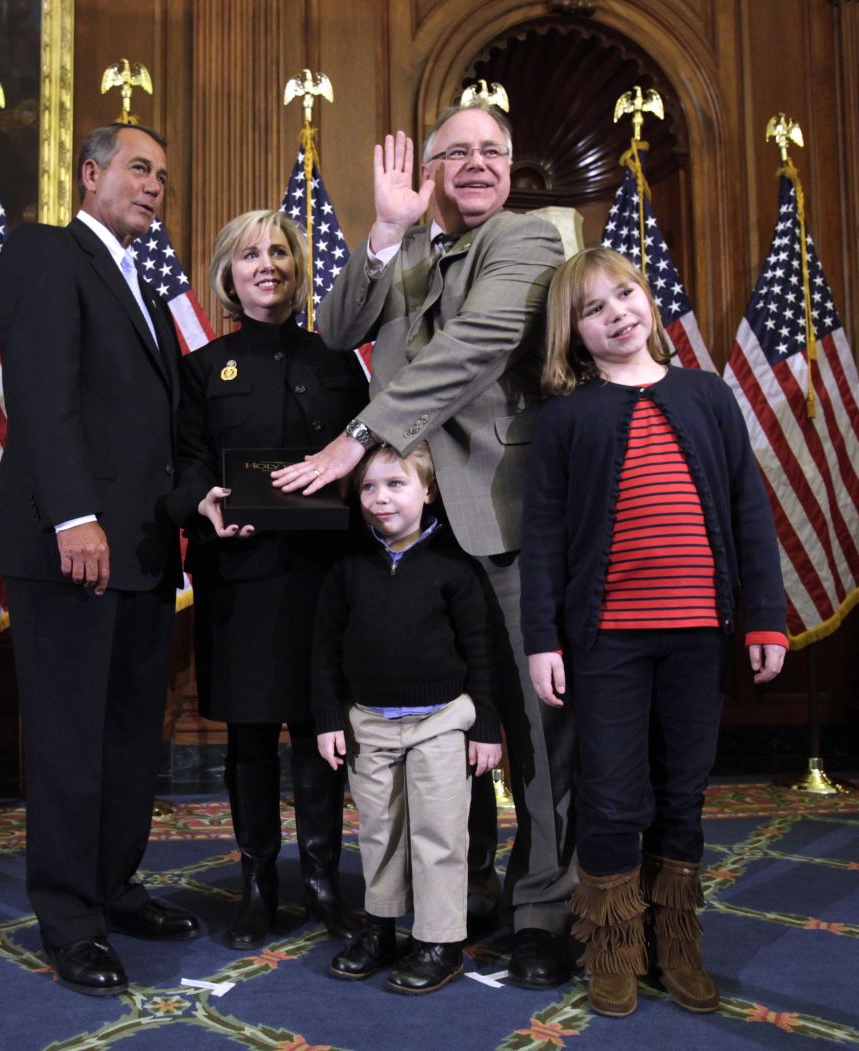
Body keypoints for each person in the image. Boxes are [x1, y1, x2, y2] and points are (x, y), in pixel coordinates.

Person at [272, 103, 576, 987]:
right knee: (448, 720)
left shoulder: (528, 241)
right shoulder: (411, 246)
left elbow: (479, 344)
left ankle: (543, 909)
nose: (476, 164)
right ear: (432, 168)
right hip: (413, 534)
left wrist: (362, 436)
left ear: (511, 168)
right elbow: (333, 332)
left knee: (528, 725)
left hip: (505, 518)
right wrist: (385, 233)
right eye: (458, 153)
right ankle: (463, 891)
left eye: (493, 151)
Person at [519, 247, 789, 1017]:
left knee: (684, 790)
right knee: (609, 794)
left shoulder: (707, 395)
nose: (617, 314)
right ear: (572, 334)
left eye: (626, 295)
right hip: (607, 640)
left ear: (650, 300)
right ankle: (611, 943)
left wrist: (765, 617)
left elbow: (749, 512)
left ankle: (677, 940)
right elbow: (543, 535)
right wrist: (544, 638)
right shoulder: (568, 415)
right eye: (594, 309)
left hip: (700, 633)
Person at [0, 122, 198, 997]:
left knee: (126, 740)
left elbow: (157, 426)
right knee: (73, 743)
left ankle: (114, 886)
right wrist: (76, 516)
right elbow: (40, 393)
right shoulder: (46, 252)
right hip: (72, 547)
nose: (154, 185)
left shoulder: (144, 288)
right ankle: (71, 920)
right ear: (90, 175)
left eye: (163, 175)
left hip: (143, 553)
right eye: (138, 168)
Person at [165, 210, 367, 948]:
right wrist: (203, 501)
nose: (267, 264)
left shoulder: (338, 363)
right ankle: (258, 883)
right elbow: (186, 462)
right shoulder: (201, 367)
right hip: (240, 577)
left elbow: (368, 458)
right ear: (229, 272)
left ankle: (320, 879)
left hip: (323, 577)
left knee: (324, 732)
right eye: (250, 254)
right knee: (249, 737)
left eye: (279, 251)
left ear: (297, 266)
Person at [312, 444, 503, 994]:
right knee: (379, 833)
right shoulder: (348, 567)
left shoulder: (453, 564)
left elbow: (481, 653)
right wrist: (329, 717)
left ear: (429, 491)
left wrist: (485, 727)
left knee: (439, 834)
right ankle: (380, 928)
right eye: (369, 487)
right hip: (368, 723)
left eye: (396, 484)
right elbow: (324, 649)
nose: (381, 498)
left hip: (440, 722)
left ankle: (439, 940)